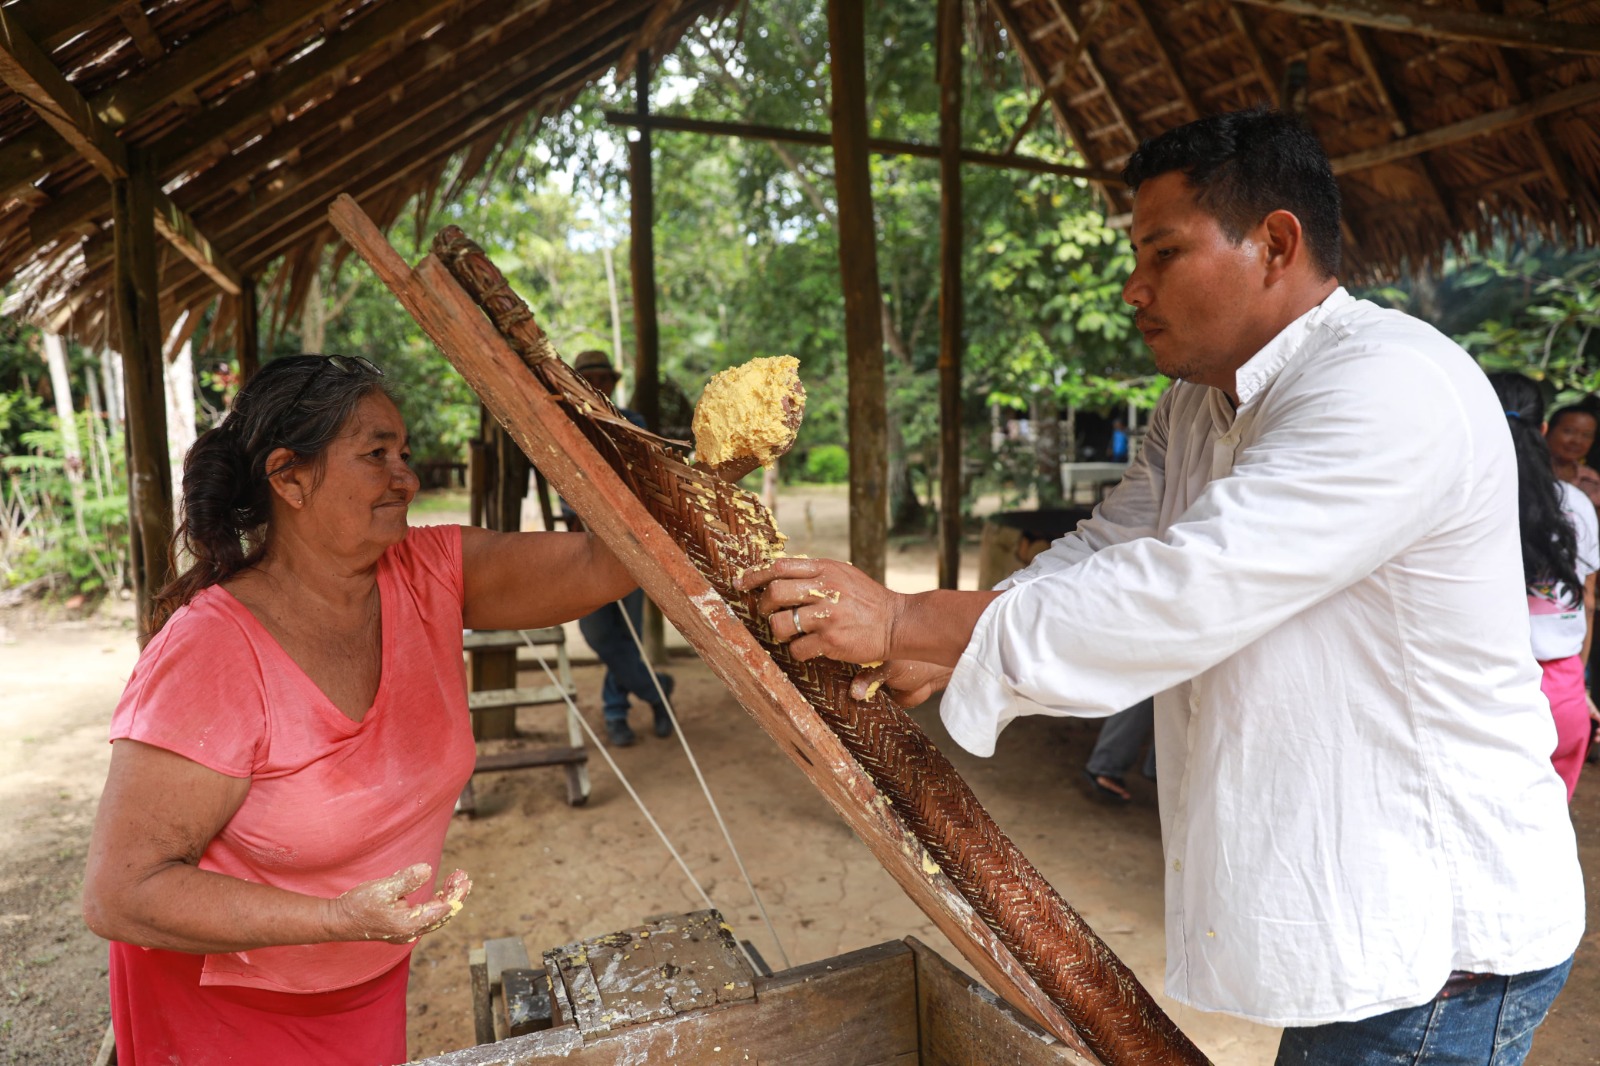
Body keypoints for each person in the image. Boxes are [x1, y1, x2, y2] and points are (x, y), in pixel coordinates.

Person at [737, 108, 1583, 1065]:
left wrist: (907, 618)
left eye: (1164, 253)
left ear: (1275, 244)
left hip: (1440, 939)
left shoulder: (1388, 384)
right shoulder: (1197, 404)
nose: (1134, 288)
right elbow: (1112, 547)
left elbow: (1187, 588)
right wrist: (950, 645)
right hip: (1372, 916)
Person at [81, 355, 643, 1065]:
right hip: (224, 1002)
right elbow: (120, 893)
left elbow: (606, 563)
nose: (405, 476)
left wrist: (687, 468)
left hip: (365, 975)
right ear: (288, 478)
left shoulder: (428, 573)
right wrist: (335, 918)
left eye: (403, 453)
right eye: (376, 454)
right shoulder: (211, 651)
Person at [561, 349, 675, 746]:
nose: (596, 385)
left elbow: (642, 475)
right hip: (583, 542)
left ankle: (615, 713)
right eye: (587, 379)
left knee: (628, 635)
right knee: (597, 632)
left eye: (602, 379)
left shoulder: (632, 422)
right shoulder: (559, 423)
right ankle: (657, 691)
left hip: (630, 542)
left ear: (612, 383)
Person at [1494, 373, 1599, 798]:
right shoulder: (1575, 504)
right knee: (1549, 823)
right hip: (1563, 689)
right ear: (1542, 430)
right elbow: (1586, 601)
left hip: (1483, 683)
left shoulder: (1463, 498)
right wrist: (1580, 688)